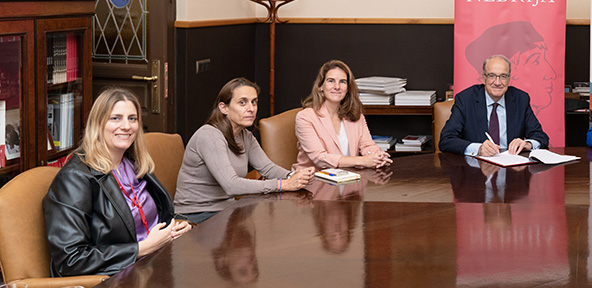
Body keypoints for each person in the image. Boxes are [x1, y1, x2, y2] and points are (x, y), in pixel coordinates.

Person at [43, 87, 192, 276]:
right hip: (117, 276)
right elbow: (71, 260)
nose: (126, 126)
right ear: (98, 124)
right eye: (115, 118)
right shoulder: (75, 178)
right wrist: (141, 248)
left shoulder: (133, 162)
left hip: (155, 262)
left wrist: (174, 228)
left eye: (132, 118)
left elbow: (153, 216)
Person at [174, 77, 313, 223]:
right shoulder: (209, 135)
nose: (251, 108)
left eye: (254, 102)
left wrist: (294, 176)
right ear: (223, 108)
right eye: (242, 102)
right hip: (196, 214)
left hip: (226, 209)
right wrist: (282, 184)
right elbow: (231, 185)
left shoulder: (245, 136)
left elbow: (268, 168)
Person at [439, 54, 549, 156]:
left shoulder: (520, 99)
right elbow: (446, 140)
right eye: (492, 76)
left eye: (503, 76)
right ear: (484, 78)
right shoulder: (466, 100)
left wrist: (528, 144)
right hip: (476, 167)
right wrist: (478, 149)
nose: (497, 82)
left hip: (511, 166)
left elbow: (541, 137)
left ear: (509, 79)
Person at [294, 60, 392, 172]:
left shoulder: (355, 115)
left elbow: (367, 145)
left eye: (342, 82)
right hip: (313, 178)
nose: (337, 87)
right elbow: (320, 158)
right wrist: (362, 161)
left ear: (348, 88)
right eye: (331, 81)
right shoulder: (305, 117)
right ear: (321, 86)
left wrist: (377, 156)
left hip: (347, 177)